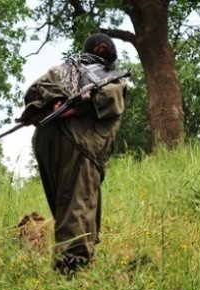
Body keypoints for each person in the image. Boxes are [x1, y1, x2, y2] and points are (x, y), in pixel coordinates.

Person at [22, 33, 127, 275]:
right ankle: (73, 270)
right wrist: (67, 109)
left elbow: (34, 92)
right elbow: (110, 99)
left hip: (45, 141)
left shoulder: (61, 70)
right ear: (102, 49)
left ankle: (72, 258)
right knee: (77, 205)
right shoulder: (111, 77)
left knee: (63, 203)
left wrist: (55, 103)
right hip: (78, 144)